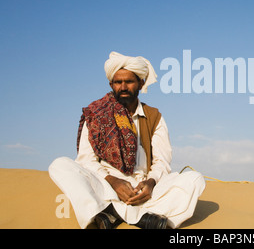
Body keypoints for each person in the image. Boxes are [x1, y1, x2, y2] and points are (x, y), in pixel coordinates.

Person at [49, 51, 205, 229]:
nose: (123, 87)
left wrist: (150, 183)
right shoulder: (95, 114)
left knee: (194, 179)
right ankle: (142, 219)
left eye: (129, 81)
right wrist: (113, 182)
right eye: (118, 82)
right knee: (59, 165)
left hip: (143, 191)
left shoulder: (154, 116)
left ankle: (112, 215)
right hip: (106, 187)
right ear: (111, 84)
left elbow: (162, 161)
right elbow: (86, 160)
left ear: (141, 83)